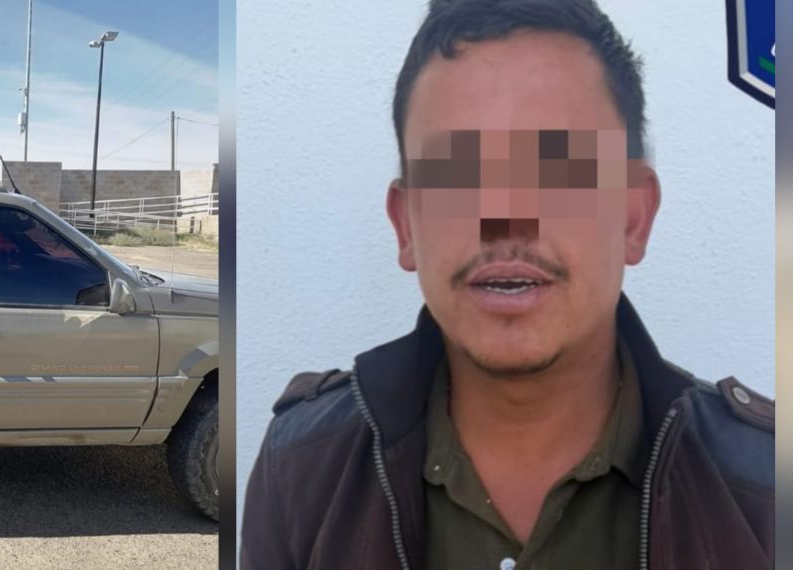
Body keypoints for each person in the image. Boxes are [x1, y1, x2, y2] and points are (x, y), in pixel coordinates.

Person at [240, 1, 774, 568]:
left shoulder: (766, 489)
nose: (506, 224)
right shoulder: (301, 470)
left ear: (632, 218)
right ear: (406, 226)